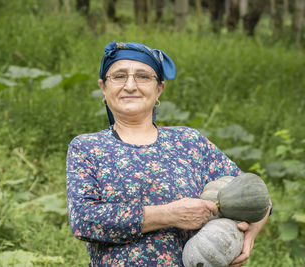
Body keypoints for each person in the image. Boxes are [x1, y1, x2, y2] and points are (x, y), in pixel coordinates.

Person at [66, 41, 270, 266]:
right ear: (103, 87)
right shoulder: (87, 147)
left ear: (159, 89)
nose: (131, 86)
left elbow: (259, 200)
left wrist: (250, 234)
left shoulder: (188, 142)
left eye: (143, 76)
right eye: (119, 76)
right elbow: (84, 221)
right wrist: (169, 214)